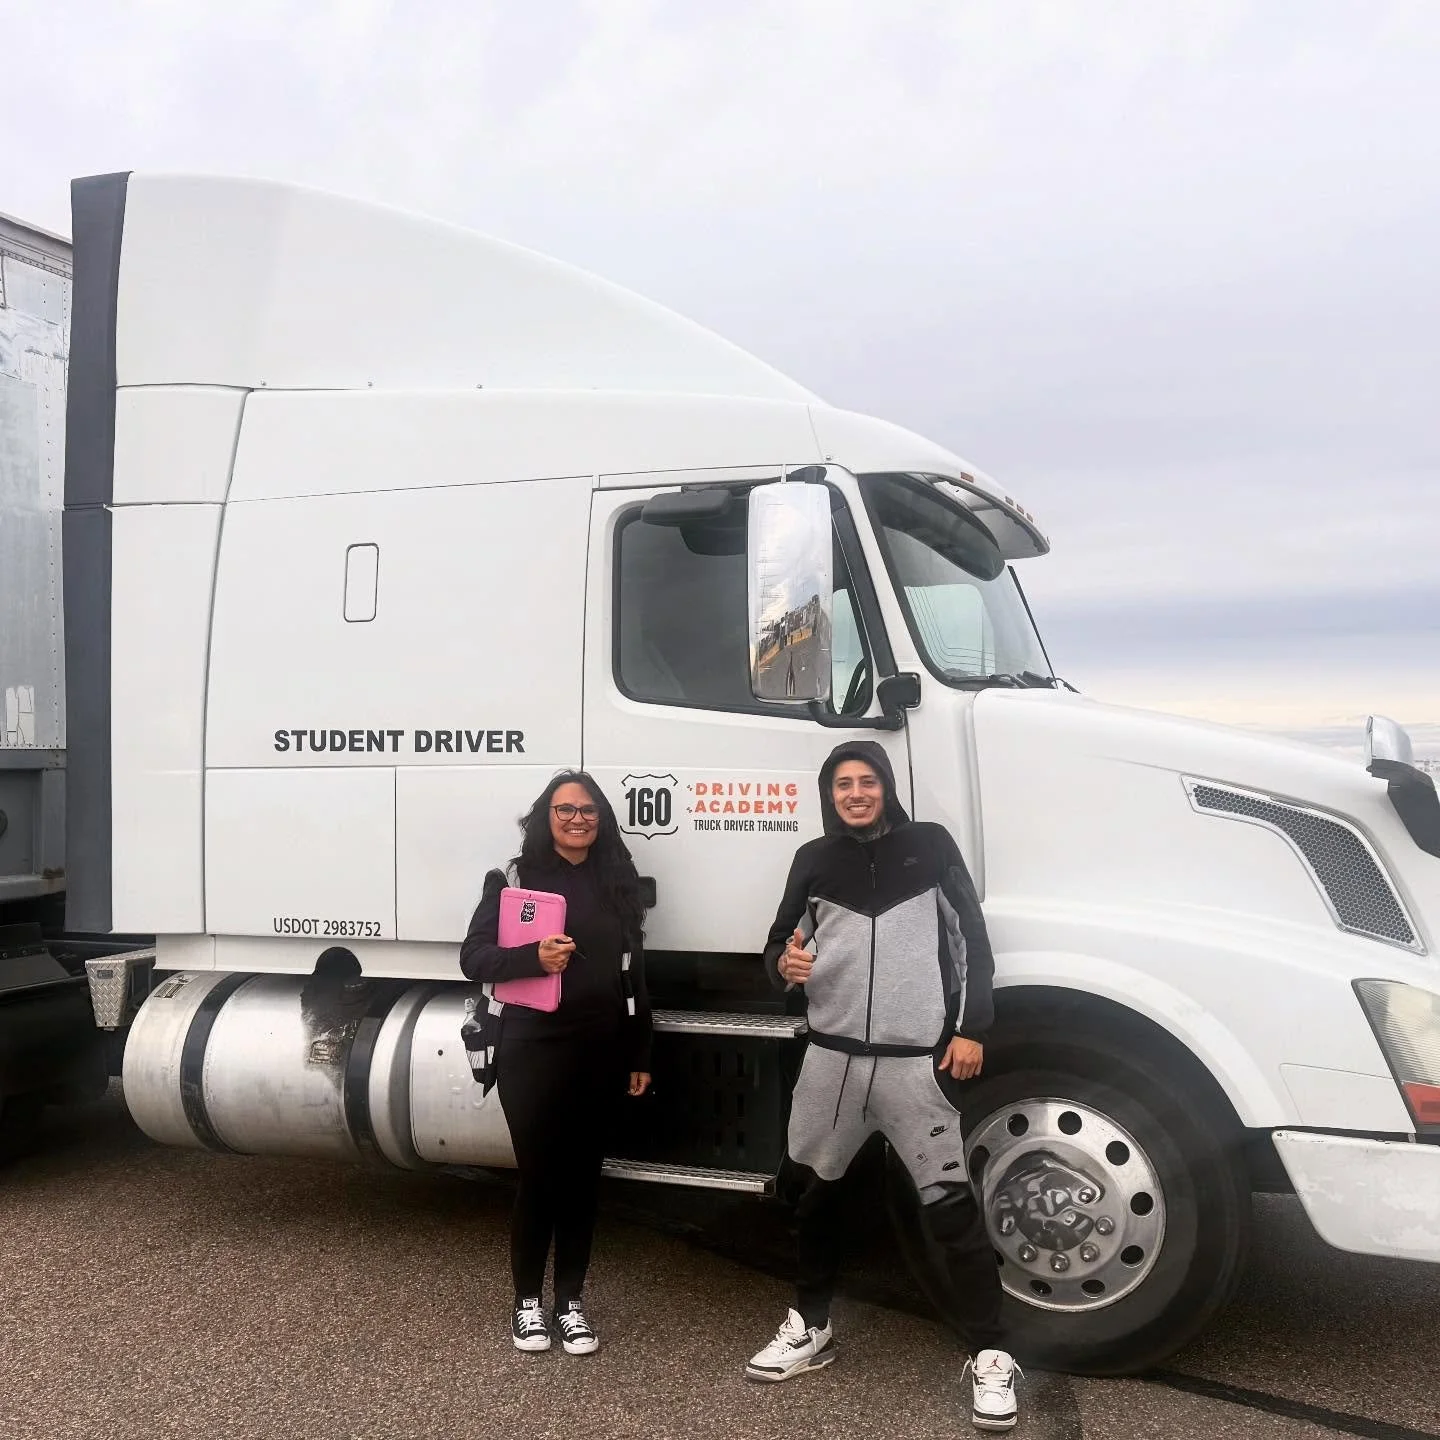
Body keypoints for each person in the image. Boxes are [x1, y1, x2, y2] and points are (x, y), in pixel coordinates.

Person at [745, 741, 1020, 1433]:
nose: (856, 793)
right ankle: (810, 1327)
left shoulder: (928, 847)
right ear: (829, 794)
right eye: (843, 784)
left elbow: (971, 942)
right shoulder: (814, 859)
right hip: (831, 1062)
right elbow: (780, 949)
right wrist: (787, 964)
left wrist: (971, 1029)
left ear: (886, 788)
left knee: (949, 1207)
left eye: (868, 781)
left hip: (911, 1063)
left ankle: (992, 1354)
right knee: (812, 1200)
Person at [460, 771, 652, 1357]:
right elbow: (474, 957)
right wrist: (531, 958)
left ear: (602, 818)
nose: (577, 819)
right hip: (530, 1044)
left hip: (598, 1044)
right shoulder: (515, 878)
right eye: (565, 809)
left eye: (588, 810)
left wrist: (640, 1049)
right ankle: (526, 1304)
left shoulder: (617, 879)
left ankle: (569, 1302)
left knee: (582, 1180)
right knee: (541, 1176)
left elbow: (632, 971)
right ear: (546, 816)